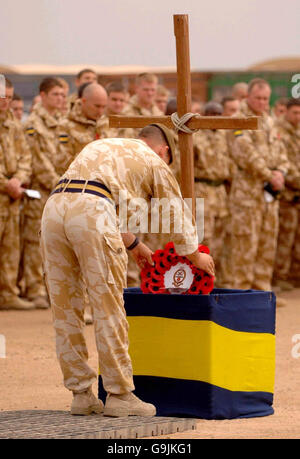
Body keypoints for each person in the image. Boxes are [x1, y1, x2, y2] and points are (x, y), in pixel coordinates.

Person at [40, 124, 215, 417]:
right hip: (93, 211)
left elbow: (94, 197)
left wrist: (134, 244)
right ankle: (120, 395)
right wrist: (194, 254)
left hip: (55, 210)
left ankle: (81, 395)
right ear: (165, 151)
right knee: (108, 305)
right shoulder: (154, 159)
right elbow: (174, 209)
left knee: (64, 307)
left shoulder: (105, 146)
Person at [219, 79, 289, 305]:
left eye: (265, 99)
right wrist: (270, 175)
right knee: (244, 247)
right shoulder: (240, 120)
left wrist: (280, 171)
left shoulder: (270, 122)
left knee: (267, 246)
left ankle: (261, 293)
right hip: (247, 196)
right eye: (257, 98)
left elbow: (282, 152)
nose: (261, 102)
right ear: (247, 97)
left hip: (269, 197)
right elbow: (245, 154)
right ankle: (241, 295)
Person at [21, 77, 64, 309]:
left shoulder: (60, 121)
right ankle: (35, 288)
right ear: (44, 95)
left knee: (55, 242)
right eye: (55, 94)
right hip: (41, 191)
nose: (60, 99)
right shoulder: (34, 124)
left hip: (59, 190)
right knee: (35, 241)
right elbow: (39, 162)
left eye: (62, 94)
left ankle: (50, 289)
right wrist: (63, 184)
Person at [0, 77, 33, 310]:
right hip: (5, 190)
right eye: (3, 97)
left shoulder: (12, 123)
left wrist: (18, 179)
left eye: (9, 97)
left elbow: (25, 156)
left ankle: (8, 294)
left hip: (11, 196)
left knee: (11, 246)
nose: (6, 102)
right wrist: (6, 183)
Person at [193, 101, 234, 277]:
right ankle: (198, 279)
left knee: (220, 239)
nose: (215, 118)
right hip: (202, 189)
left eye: (218, 114)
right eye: (211, 114)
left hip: (220, 192)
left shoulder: (224, 136)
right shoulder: (195, 137)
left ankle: (213, 279)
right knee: (203, 238)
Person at [273, 98, 300, 290]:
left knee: (296, 237)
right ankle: (280, 275)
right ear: (287, 112)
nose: (297, 117)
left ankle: (294, 274)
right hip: (287, 194)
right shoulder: (279, 131)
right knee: (284, 237)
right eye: (295, 113)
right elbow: (284, 164)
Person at [55, 83, 108, 175]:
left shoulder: (104, 123)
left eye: (103, 107)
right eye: (97, 106)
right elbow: (63, 163)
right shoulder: (65, 125)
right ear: (83, 101)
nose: (100, 111)